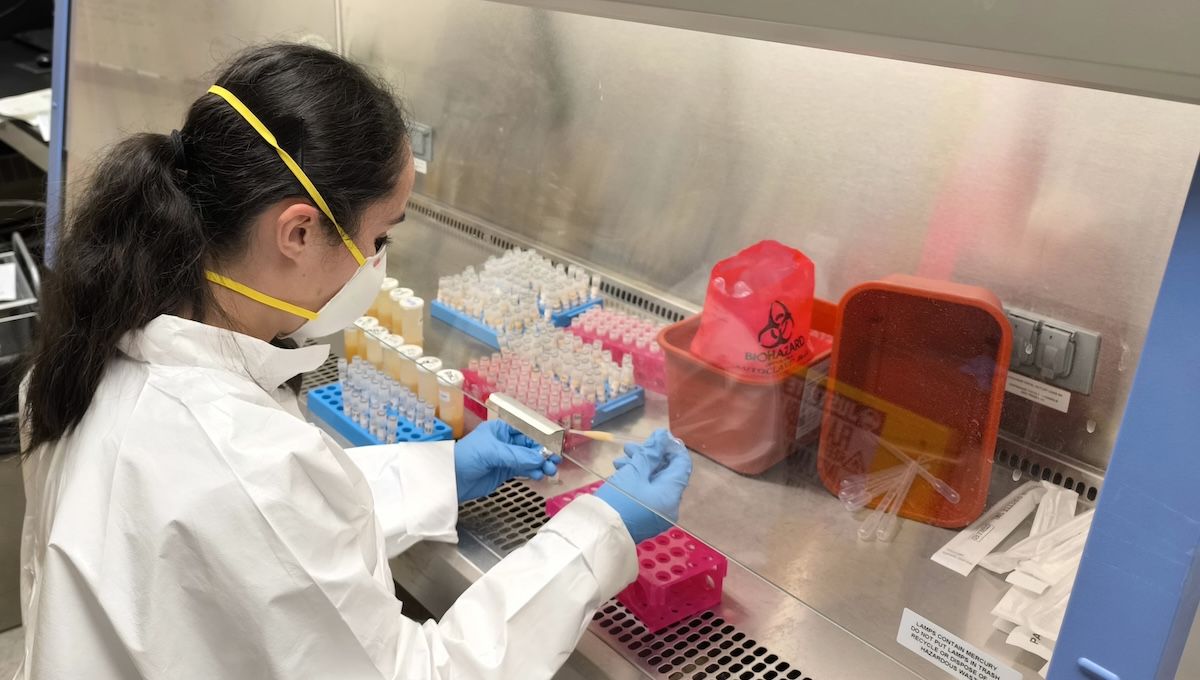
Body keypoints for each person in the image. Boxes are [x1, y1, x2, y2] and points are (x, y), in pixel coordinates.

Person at [16, 44, 692, 680]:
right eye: (379, 236)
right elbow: (415, 667)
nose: (378, 262)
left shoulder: (105, 339)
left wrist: (443, 475)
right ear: (299, 230)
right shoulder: (238, 457)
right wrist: (600, 532)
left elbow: (267, 546)